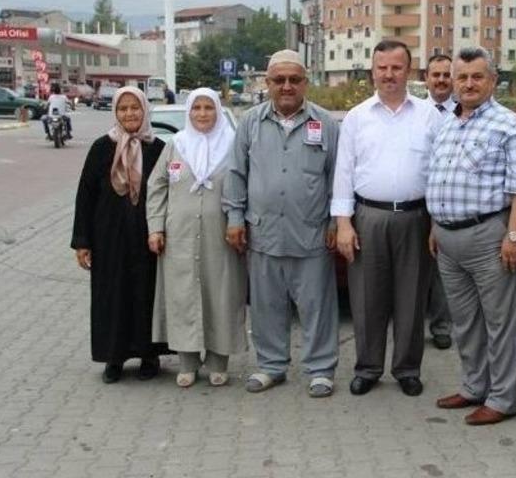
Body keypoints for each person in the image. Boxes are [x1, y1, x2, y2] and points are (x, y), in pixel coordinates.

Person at [428, 47, 516, 426]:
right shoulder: (447, 124)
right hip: (448, 238)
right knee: (465, 321)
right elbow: (438, 180)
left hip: (490, 236)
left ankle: (503, 398)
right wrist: (434, 226)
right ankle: (474, 386)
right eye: (462, 77)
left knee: (501, 322)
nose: (468, 84)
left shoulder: (511, 125)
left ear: (492, 80)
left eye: (477, 76)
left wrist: (514, 235)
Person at [222, 50, 340, 397]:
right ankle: (271, 365)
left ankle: (320, 368)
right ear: (267, 83)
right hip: (263, 231)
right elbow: (236, 172)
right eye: (279, 80)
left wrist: (336, 221)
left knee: (317, 305)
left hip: (312, 232)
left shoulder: (325, 124)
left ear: (305, 82)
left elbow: (337, 175)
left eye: (294, 79)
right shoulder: (250, 122)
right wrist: (234, 217)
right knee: (266, 304)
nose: (287, 86)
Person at [332, 40, 443, 397]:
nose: (389, 74)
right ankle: (368, 367)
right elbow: (343, 172)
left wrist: (437, 223)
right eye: (382, 68)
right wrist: (344, 223)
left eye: (396, 68)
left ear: (408, 71)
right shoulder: (357, 116)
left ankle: (407, 368)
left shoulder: (430, 115)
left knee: (412, 297)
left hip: (416, 217)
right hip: (368, 217)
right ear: (372, 72)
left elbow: (440, 172)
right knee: (366, 297)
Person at [146, 88, 248, 388]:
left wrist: (242, 224)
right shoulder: (176, 145)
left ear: (218, 111)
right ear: (188, 112)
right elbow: (157, 187)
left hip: (223, 237)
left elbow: (246, 185)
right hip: (179, 237)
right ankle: (187, 361)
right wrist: (155, 227)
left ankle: (218, 361)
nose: (202, 114)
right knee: (182, 296)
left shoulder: (233, 146)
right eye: (197, 108)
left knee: (222, 295)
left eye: (209, 108)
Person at [70, 86, 170, 383]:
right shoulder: (102, 147)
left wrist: (163, 230)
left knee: (146, 293)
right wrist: (82, 242)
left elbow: (168, 194)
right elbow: (85, 195)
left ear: (144, 110)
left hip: (147, 238)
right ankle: (113, 358)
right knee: (111, 296)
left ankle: (149, 356)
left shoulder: (158, 148)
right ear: (115, 112)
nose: (130, 114)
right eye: (123, 109)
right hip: (108, 238)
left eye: (135, 108)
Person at [422, 53, 455, 350]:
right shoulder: (416, 112)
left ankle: (442, 325)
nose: (442, 80)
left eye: (447, 74)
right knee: (415, 268)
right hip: (418, 201)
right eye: (436, 74)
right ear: (426, 79)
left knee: (442, 269)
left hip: (448, 201)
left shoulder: (466, 112)